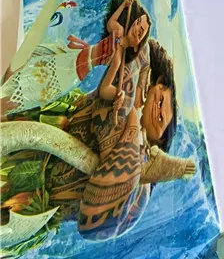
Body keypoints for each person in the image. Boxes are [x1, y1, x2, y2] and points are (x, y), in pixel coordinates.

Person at [1, 42, 194, 245]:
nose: (155, 108)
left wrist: (133, 129)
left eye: (160, 119)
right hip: (31, 130)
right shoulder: (128, 88)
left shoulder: (139, 193)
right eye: (160, 101)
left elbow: (95, 227)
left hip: (25, 199)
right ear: (157, 84)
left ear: (159, 140)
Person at [1, 0, 151, 118]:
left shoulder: (117, 58)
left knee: (39, 87)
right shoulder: (119, 30)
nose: (136, 29)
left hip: (75, 71)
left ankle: (7, 102)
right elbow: (111, 22)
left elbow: (104, 89)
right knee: (37, 62)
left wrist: (119, 93)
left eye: (141, 32)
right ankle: (9, 81)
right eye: (137, 23)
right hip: (74, 55)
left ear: (137, 47)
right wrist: (124, 5)